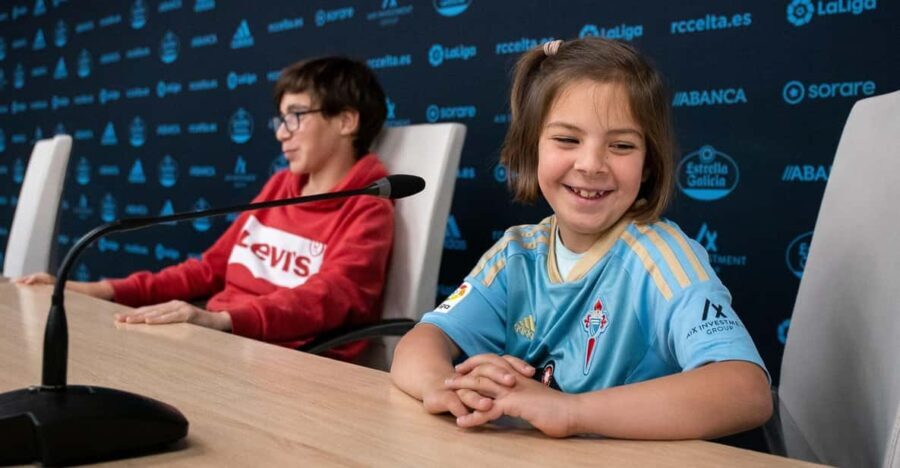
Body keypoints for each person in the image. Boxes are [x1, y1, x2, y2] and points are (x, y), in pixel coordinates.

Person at [390, 38, 772, 439]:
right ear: (530, 148)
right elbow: (421, 342)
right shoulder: (517, 253)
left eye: (621, 146)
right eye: (567, 140)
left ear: (648, 165)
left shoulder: (662, 256)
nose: (591, 164)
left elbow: (746, 390)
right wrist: (443, 387)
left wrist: (569, 411)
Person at [18, 57, 394, 361]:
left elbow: (332, 296)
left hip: (290, 359)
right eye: (280, 120)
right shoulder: (281, 186)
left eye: (296, 116)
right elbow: (210, 269)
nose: (281, 132)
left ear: (346, 121)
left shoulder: (368, 208)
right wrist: (101, 289)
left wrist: (223, 320)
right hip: (220, 340)